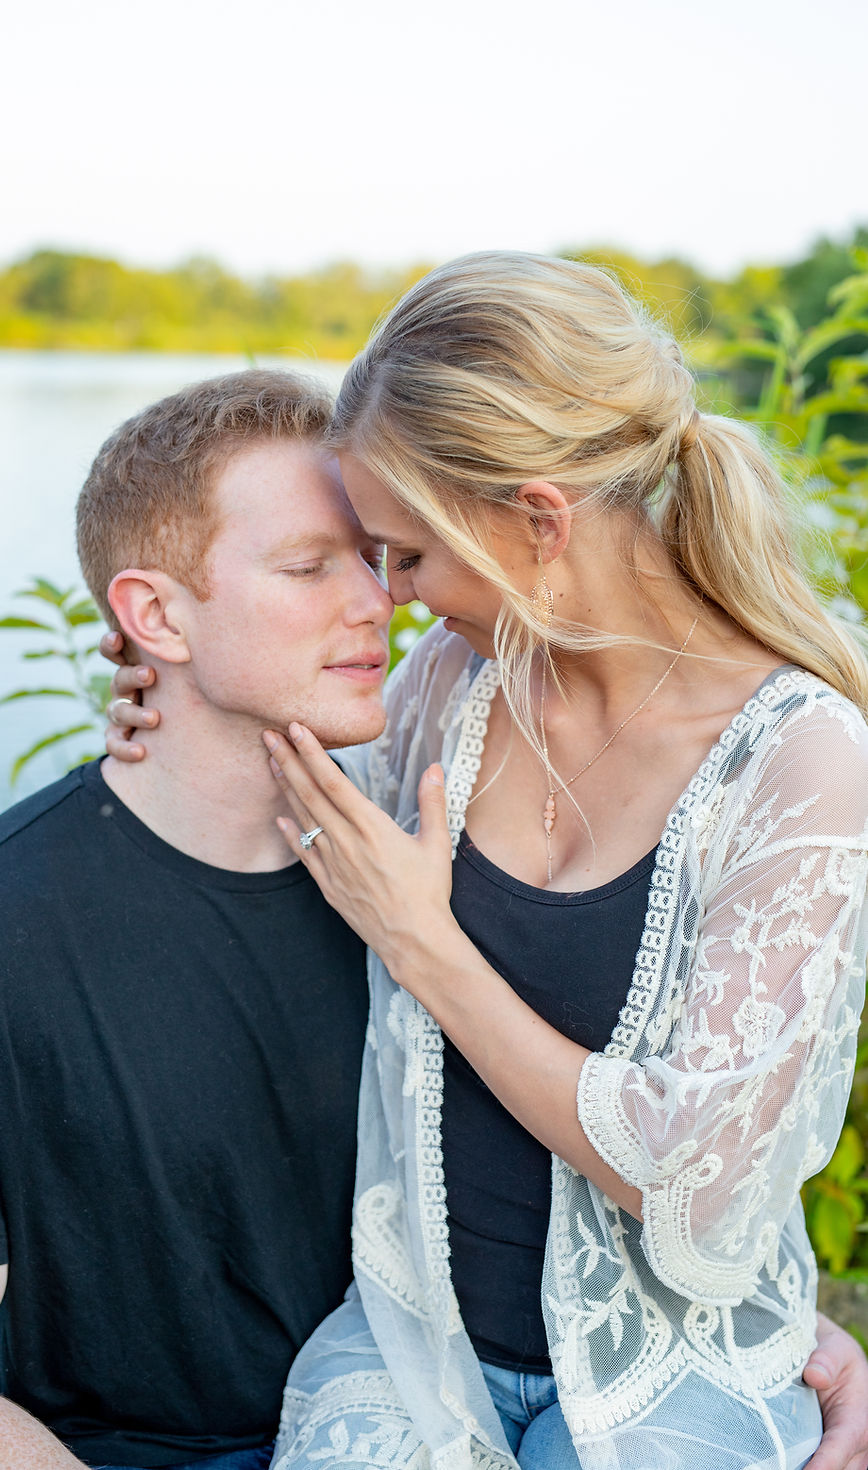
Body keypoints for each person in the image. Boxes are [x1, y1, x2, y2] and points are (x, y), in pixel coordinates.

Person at [246, 253, 868, 1469]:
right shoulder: (451, 688)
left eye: (408, 556)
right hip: (412, 1338)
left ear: (539, 520)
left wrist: (424, 945)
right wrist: (158, 700)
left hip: (672, 1370)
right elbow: (275, 811)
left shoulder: (803, 762)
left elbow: (695, 1178)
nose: (392, 599)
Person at [0, 371, 394, 1468]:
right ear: (153, 614)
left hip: (422, 1425)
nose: (372, 600)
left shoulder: (424, 868)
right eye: (309, 567)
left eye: (376, 555)